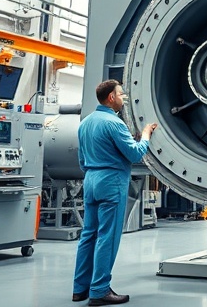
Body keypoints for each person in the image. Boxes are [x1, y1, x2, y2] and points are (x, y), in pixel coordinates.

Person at [72, 80, 158, 305]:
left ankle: (79, 289)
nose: (124, 98)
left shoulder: (85, 123)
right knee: (107, 237)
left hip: (90, 180)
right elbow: (134, 154)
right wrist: (146, 134)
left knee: (88, 235)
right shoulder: (115, 124)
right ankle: (100, 290)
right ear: (111, 97)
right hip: (111, 182)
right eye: (121, 94)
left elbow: (81, 160)